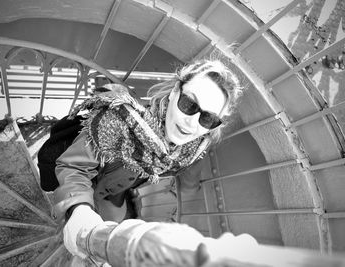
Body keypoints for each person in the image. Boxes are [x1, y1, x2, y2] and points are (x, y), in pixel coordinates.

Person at [52, 59, 243, 259]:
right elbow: (74, 165)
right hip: (82, 188)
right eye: (189, 104)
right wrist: (79, 208)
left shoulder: (190, 151)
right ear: (175, 91)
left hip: (115, 197)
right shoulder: (119, 120)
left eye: (208, 118)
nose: (192, 122)